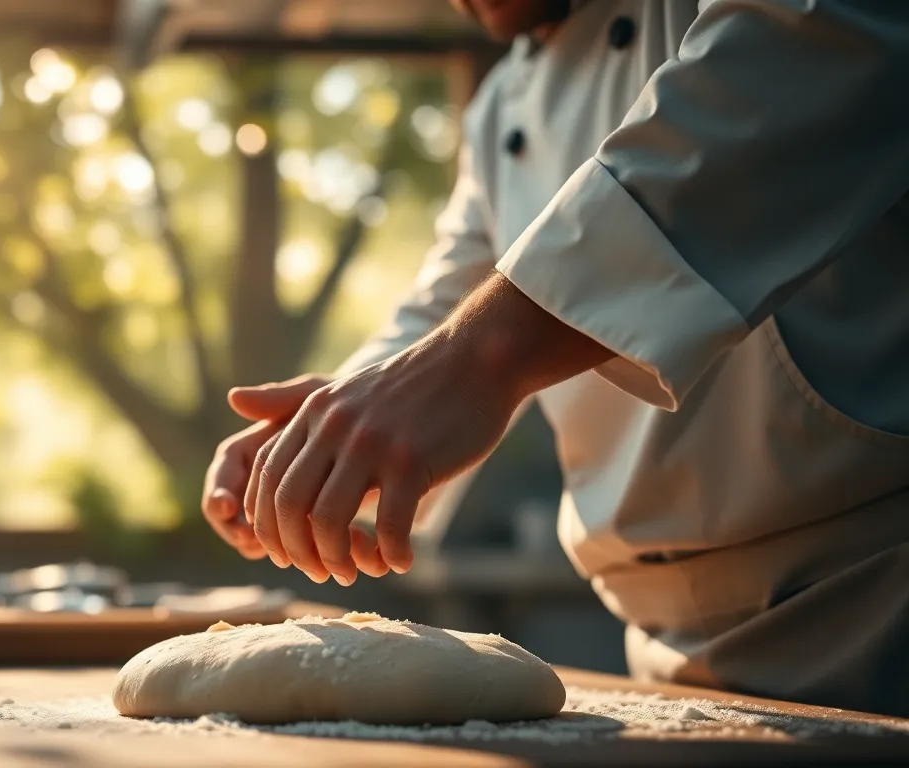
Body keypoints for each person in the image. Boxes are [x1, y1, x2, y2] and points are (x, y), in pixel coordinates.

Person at [202, 0, 909, 716]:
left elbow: (790, 71)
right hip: (664, 652)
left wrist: (481, 359)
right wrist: (335, 428)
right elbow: (451, 303)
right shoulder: (502, 106)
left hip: (872, 601)